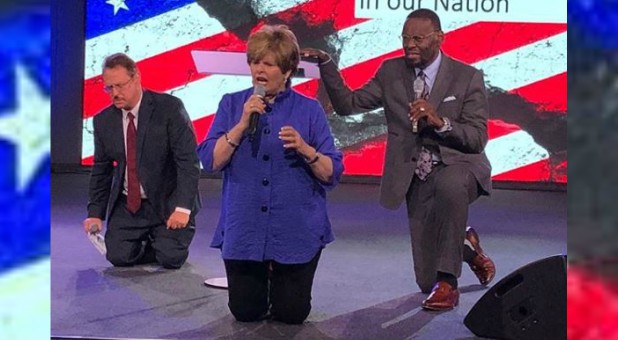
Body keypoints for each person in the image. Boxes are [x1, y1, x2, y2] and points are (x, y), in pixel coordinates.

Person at [301, 8, 495, 311]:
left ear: (439, 38)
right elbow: (348, 105)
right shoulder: (391, 72)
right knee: (423, 281)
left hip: (460, 165)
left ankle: (449, 284)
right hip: (414, 173)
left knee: (450, 185)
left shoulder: (467, 77)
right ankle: (465, 247)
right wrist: (327, 65)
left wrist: (440, 121)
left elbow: (476, 138)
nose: (409, 45)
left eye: (418, 38)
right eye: (405, 39)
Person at [197, 25, 343, 324]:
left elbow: (332, 172)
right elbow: (210, 161)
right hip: (245, 227)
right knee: (245, 312)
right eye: (254, 61)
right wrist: (240, 125)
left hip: (295, 228)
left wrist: (305, 148)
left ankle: (284, 282)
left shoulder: (309, 110)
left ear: (288, 70)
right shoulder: (232, 104)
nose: (259, 70)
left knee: (291, 314)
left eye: (268, 63)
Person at [83, 53, 201, 269]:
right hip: (130, 204)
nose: (115, 93)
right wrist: (95, 214)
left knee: (170, 258)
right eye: (109, 88)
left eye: (120, 85)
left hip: (168, 202)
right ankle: (151, 240)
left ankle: (164, 241)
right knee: (118, 257)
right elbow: (101, 170)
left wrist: (183, 208)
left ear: (136, 77)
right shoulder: (103, 121)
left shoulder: (170, 108)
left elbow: (188, 162)